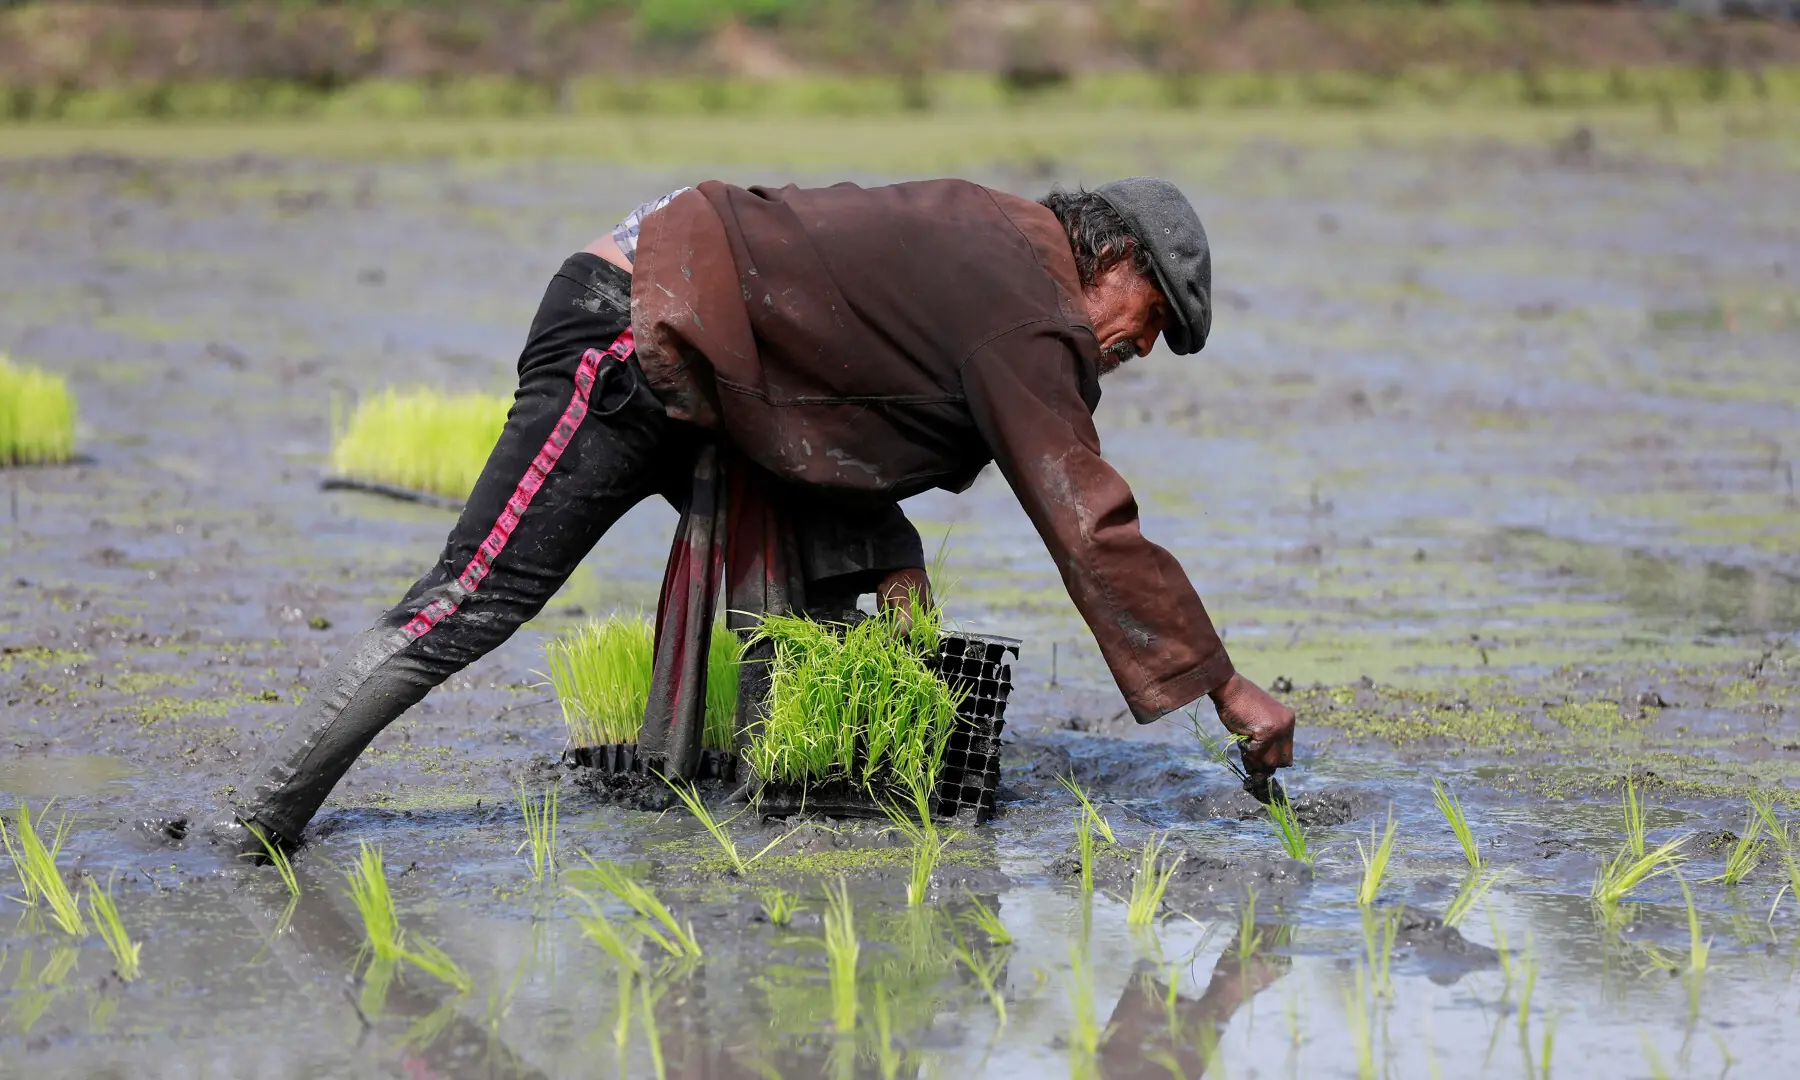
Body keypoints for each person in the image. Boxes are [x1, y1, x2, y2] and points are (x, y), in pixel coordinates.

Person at [223, 176, 1296, 854]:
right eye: (1150, 322)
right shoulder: (1027, 303)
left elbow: (842, 392)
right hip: (633, 331)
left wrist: (890, 543)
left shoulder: (998, 251)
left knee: (803, 611)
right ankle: (258, 819)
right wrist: (1221, 683)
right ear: (1111, 262)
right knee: (475, 600)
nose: (1139, 350)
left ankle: (715, 815)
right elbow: (1087, 519)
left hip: (714, 380)